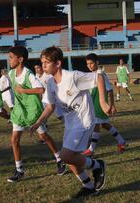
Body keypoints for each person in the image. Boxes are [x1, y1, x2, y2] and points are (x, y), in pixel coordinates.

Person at [30, 46, 110, 198]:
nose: (43, 66)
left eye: (47, 62)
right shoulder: (51, 84)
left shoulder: (73, 76)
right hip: (71, 124)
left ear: (58, 63)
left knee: (66, 156)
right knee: (72, 161)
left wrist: (102, 101)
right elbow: (51, 106)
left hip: (84, 121)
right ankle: (88, 186)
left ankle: (98, 165)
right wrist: (38, 122)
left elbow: (98, 77)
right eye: (42, 62)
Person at [6, 46, 65, 183]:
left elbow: (41, 89)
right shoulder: (11, 74)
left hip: (33, 111)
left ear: (20, 59)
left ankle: (59, 159)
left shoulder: (29, 74)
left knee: (44, 136)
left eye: (11, 57)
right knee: (14, 140)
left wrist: (23, 91)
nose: (9, 60)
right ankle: (19, 170)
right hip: (20, 112)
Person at [82, 53, 127, 157]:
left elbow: (110, 90)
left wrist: (112, 104)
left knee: (96, 125)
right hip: (94, 103)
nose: (89, 66)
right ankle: (121, 141)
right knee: (105, 125)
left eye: (91, 63)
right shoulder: (92, 74)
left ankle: (91, 149)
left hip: (99, 104)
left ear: (97, 62)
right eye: (87, 64)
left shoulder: (100, 74)